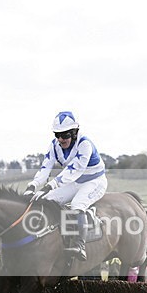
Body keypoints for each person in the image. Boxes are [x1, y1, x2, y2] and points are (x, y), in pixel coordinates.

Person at [24, 111, 106, 261]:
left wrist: (49, 186)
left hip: (94, 181)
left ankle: (79, 245)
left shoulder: (85, 144)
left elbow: (73, 170)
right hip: (75, 182)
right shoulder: (54, 145)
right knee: (46, 200)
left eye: (65, 135)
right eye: (57, 135)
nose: (61, 139)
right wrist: (32, 186)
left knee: (77, 205)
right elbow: (45, 167)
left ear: (74, 133)